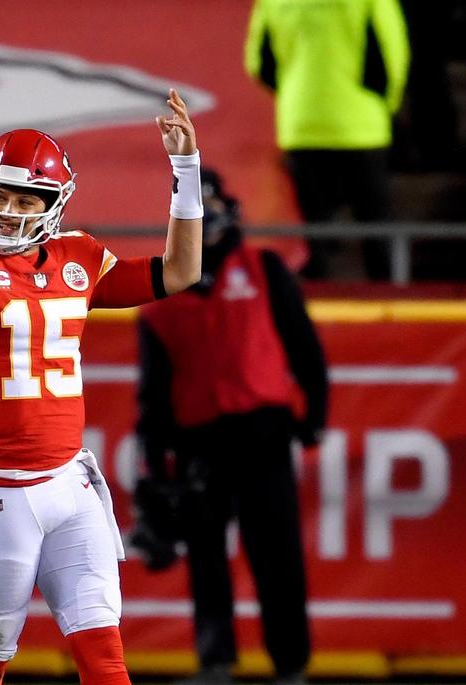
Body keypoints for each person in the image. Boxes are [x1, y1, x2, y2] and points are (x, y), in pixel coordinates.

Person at [0, 87, 203, 685]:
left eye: (25, 198)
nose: (8, 210)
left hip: (69, 484)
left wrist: (185, 168)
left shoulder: (77, 258)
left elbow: (180, 271)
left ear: (52, 204)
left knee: (105, 656)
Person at [131, 169, 329, 685]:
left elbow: (305, 347)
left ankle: (291, 666)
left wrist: (315, 417)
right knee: (206, 558)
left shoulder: (264, 269)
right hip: (199, 443)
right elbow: (153, 394)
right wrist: (155, 463)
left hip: (263, 434)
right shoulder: (163, 295)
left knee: (277, 554)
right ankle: (215, 663)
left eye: (209, 203)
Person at [245, 0, 410, 279]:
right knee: (376, 227)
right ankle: (388, 299)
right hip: (362, 126)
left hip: (302, 126)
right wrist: (385, 104)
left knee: (314, 232)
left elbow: (259, 63)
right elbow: (392, 54)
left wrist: (295, 95)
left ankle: (317, 298)